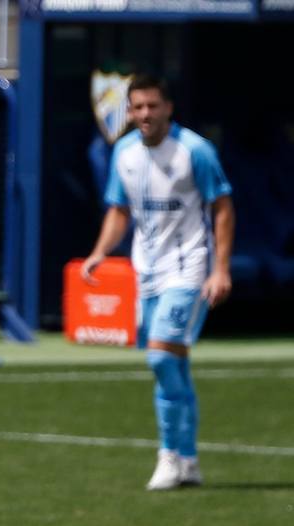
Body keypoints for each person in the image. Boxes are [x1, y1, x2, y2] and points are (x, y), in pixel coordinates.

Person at [82, 74, 235, 491]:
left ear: (169, 108)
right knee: (174, 363)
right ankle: (188, 461)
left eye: (152, 106)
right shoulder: (125, 153)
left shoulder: (195, 152)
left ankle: (169, 454)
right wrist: (100, 252)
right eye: (138, 107)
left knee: (161, 358)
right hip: (146, 270)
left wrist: (221, 269)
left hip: (189, 268)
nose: (145, 114)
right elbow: (119, 210)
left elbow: (222, 207)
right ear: (129, 112)